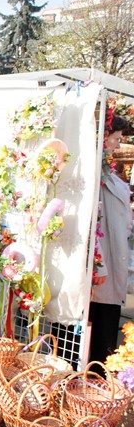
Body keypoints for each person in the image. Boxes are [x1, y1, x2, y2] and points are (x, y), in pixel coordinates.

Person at [89, 114, 132, 363]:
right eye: (115, 139)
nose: (117, 144)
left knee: (105, 325)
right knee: (97, 326)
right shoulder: (96, 176)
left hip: (108, 265)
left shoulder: (110, 177)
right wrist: (99, 263)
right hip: (99, 267)